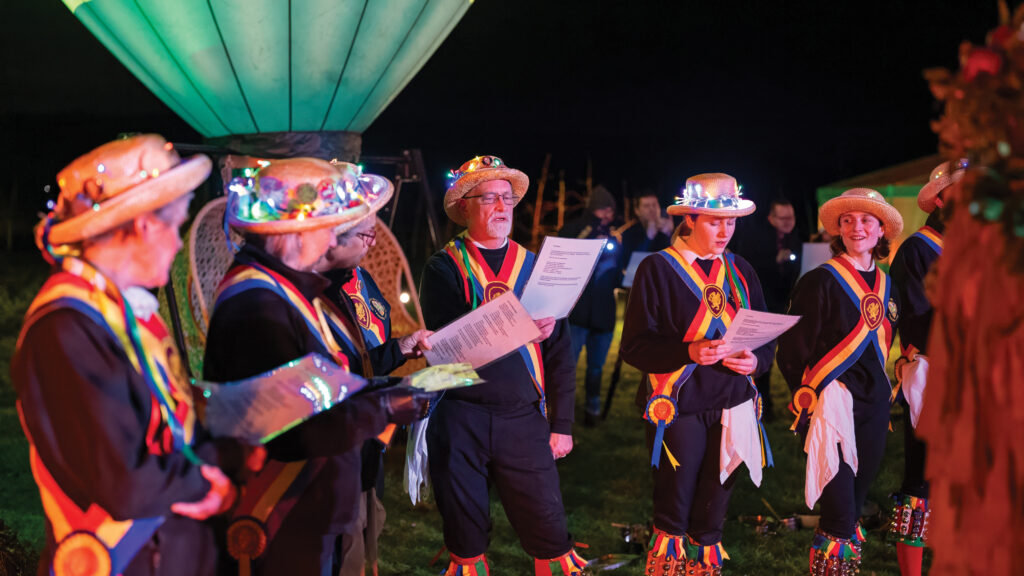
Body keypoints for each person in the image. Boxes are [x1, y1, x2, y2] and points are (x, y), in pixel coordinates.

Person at [11, 134, 242, 575]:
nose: (178, 245)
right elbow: (123, 480)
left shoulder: (117, 312)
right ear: (142, 226)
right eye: (174, 227)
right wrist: (213, 471)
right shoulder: (64, 329)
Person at [203, 158, 433, 576]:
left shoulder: (284, 291)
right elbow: (292, 428)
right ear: (295, 234)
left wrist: (381, 393)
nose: (332, 241)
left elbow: (318, 386)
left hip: (303, 510)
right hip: (279, 516)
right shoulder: (258, 305)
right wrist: (387, 405)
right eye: (329, 226)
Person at [419, 155, 587, 575]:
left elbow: (560, 353)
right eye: (489, 198)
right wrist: (518, 326)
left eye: (507, 198)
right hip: (461, 416)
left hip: (523, 417)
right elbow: (452, 344)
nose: (501, 207)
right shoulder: (443, 267)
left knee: (548, 526)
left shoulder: (535, 267)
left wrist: (562, 424)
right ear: (465, 207)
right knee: (465, 530)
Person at [620, 173, 774, 576]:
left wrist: (758, 361)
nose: (724, 230)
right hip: (679, 407)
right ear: (689, 219)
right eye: (713, 221)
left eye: (730, 221)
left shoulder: (741, 270)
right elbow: (634, 347)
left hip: (733, 404)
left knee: (713, 512)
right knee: (674, 508)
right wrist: (687, 351)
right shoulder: (657, 269)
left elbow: (764, 334)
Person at [314, 161, 432, 576]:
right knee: (339, 542)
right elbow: (331, 374)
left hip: (366, 435)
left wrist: (399, 349)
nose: (372, 242)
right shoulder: (313, 291)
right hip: (332, 445)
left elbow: (363, 356)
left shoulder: (358, 278)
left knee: (367, 528)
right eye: (366, 232)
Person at [777, 188, 903, 576]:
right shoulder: (819, 282)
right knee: (839, 514)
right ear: (839, 230)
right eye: (848, 220)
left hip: (874, 407)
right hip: (833, 407)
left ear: (881, 230)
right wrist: (815, 393)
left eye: (866, 220)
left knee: (856, 500)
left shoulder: (887, 286)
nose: (857, 227)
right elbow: (793, 349)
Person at [887, 159, 965, 576]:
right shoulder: (918, 250)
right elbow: (916, 318)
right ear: (940, 199)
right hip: (934, 372)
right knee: (923, 476)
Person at [558, 185, 622, 426]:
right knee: (568, 367)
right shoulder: (574, 229)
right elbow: (563, 255)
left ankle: (592, 411)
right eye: (604, 209)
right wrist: (588, 242)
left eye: (610, 210)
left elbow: (617, 277)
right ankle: (563, 413)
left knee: (596, 369)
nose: (608, 214)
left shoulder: (614, 238)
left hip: (604, 316)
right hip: (576, 315)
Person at [737, 198, 802, 421]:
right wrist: (775, 260)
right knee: (761, 357)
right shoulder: (756, 236)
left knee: (791, 356)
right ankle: (762, 406)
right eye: (782, 218)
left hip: (786, 303)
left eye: (791, 218)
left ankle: (801, 402)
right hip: (761, 303)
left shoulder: (796, 236)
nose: (788, 222)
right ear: (771, 218)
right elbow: (747, 264)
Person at [618, 190, 673, 267]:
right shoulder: (629, 234)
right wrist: (648, 239)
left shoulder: (665, 230)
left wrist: (668, 235)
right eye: (646, 206)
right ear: (637, 210)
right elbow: (630, 264)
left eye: (654, 205)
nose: (652, 209)